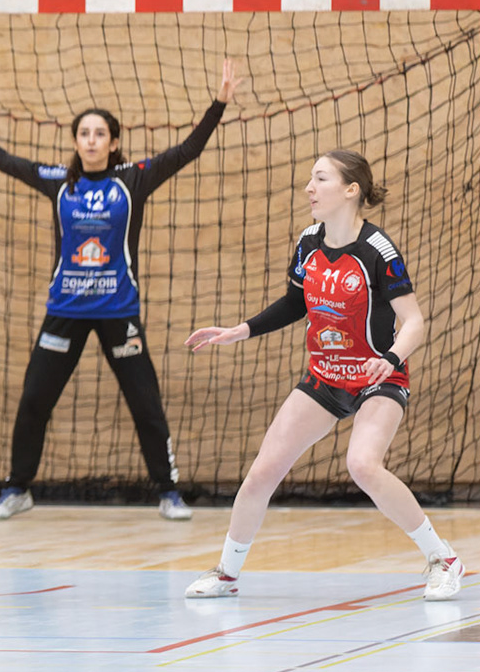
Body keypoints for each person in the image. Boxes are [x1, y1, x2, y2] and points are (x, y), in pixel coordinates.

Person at [0, 61, 235, 521]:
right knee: (34, 399)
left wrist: (218, 103)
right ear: (77, 141)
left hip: (119, 310)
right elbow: (2, 160)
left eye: (101, 133)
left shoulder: (133, 179)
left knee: (146, 403)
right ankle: (17, 489)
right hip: (66, 310)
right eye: (85, 133)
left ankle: (168, 491)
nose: (92, 140)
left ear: (114, 142)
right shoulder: (59, 182)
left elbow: (186, 152)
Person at [183, 151, 460, 601]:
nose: (310, 188)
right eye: (311, 179)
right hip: (325, 376)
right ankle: (227, 574)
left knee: (362, 465)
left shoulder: (378, 251)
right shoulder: (309, 242)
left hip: (377, 376)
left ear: (351, 190)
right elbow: (295, 303)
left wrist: (389, 358)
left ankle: (442, 559)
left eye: (321, 178)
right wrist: (242, 330)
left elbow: (415, 322)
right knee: (261, 474)